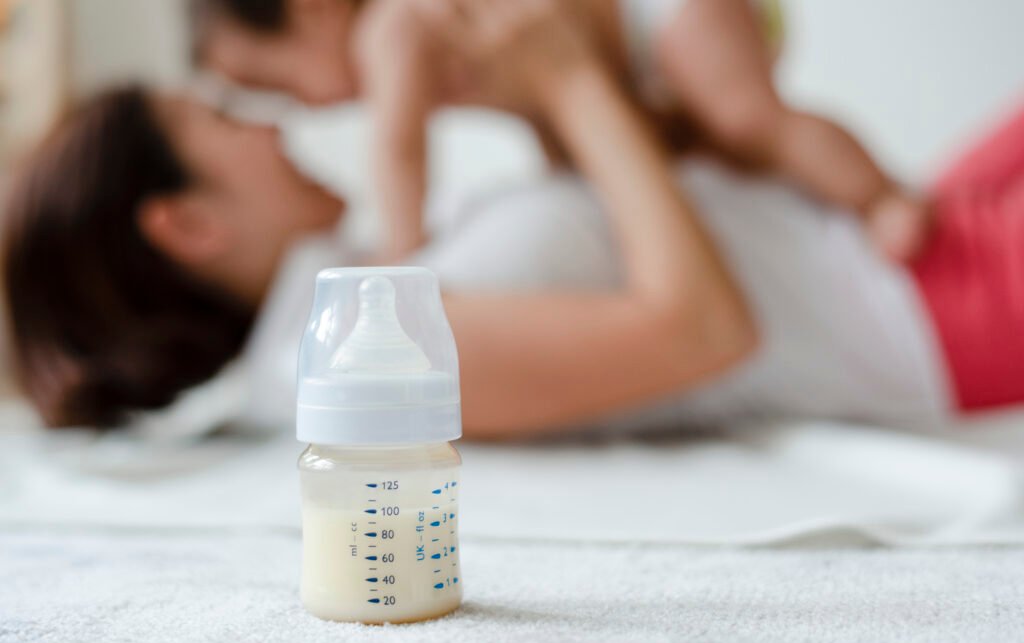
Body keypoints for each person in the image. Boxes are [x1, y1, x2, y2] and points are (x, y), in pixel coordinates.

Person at [2, 0, 1020, 438]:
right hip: (927, 312)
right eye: (227, 119)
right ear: (185, 225)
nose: (277, 130)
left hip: (886, 244)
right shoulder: (352, 357)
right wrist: (569, 82)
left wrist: (557, 88)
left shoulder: (353, 283)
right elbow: (706, 329)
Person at [190, 0, 926, 263]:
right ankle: (830, 213)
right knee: (709, 148)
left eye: (279, 84)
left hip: (655, 13)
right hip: (624, 64)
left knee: (746, 117)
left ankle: (881, 196)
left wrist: (401, 250)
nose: (301, 109)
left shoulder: (390, 26)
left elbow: (399, 150)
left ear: (313, 8)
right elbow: (537, 105)